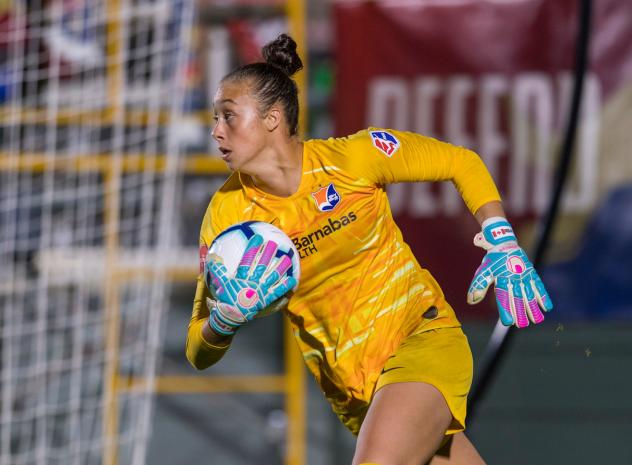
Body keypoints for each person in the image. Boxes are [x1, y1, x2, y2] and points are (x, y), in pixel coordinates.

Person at [186, 34, 552, 465]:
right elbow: (197, 347)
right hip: (356, 394)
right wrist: (224, 321)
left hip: (421, 339)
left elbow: (461, 162)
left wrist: (501, 239)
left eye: (228, 116)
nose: (216, 131)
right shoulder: (226, 216)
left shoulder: (352, 160)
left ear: (272, 118)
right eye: (215, 119)